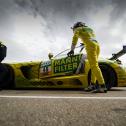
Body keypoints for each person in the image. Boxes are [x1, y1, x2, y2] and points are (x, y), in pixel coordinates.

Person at [67, 22, 107, 93]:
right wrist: (84, 42)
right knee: (94, 66)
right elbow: (89, 37)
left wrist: (72, 49)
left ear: (77, 26)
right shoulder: (89, 29)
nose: (73, 30)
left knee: (94, 66)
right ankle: (92, 85)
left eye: (73, 28)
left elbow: (75, 37)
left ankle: (102, 86)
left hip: (90, 46)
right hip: (97, 46)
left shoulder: (78, 29)